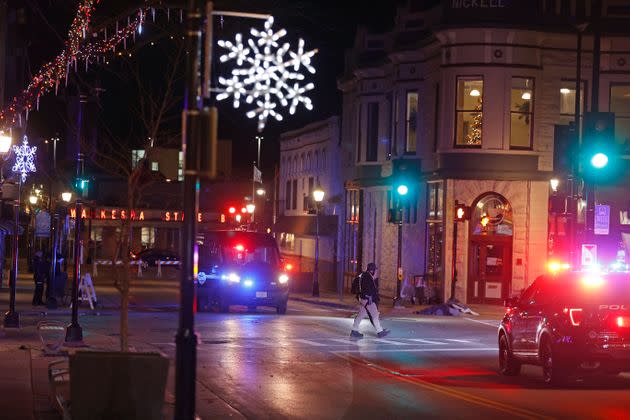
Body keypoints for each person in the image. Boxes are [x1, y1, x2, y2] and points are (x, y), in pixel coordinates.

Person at [350, 263, 390, 339]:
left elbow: (354, 286)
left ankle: (354, 330)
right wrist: (370, 297)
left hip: (362, 298)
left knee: (361, 314)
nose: (375, 272)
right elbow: (369, 289)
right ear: (372, 270)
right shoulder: (367, 277)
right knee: (375, 314)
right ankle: (380, 331)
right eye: (375, 270)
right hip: (368, 299)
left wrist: (359, 294)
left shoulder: (361, 275)